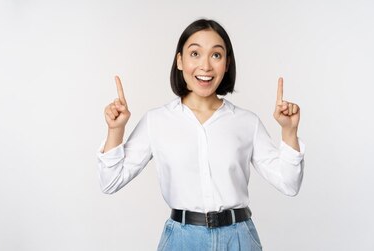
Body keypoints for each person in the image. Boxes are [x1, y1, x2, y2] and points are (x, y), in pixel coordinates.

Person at [97, 19, 304, 251]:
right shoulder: (156, 121)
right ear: (179, 61)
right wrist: (116, 131)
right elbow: (110, 182)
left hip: (238, 239)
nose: (205, 66)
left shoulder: (246, 122)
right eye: (195, 53)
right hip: (181, 240)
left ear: (226, 64)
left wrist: (289, 131)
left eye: (216, 55)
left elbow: (289, 184)